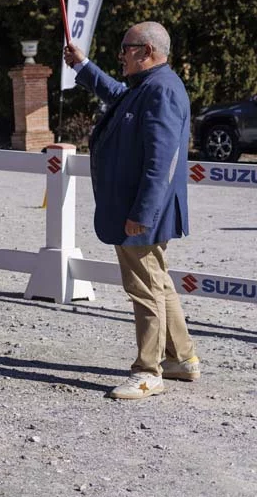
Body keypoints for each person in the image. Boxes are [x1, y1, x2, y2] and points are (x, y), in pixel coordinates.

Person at [63, 22, 199, 400]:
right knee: (158, 282)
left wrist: (142, 213)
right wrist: (82, 66)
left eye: (126, 48)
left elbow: (162, 162)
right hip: (141, 209)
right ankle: (182, 358)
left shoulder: (162, 90)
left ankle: (148, 372)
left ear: (147, 51)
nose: (120, 54)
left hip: (142, 212)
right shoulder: (148, 87)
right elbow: (116, 94)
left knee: (145, 288)